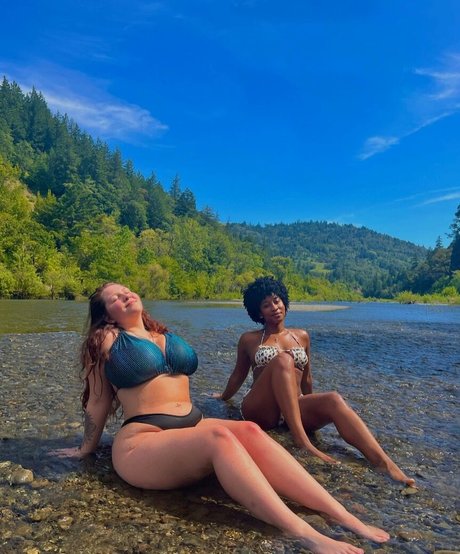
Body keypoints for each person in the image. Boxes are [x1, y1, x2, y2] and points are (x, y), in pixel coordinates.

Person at [54, 282, 390, 554]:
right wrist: (86, 449)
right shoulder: (106, 340)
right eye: (115, 297)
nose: (125, 295)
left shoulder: (162, 333)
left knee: (250, 430)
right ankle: (303, 532)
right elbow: (97, 401)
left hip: (191, 427)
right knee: (220, 438)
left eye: (127, 290)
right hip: (143, 442)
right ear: (107, 315)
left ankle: (341, 514)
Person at [215, 276, 415, 487]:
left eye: (276, 300)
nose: (274, 307)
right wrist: (223, 397)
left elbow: (307, 378)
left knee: (333, 399)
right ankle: (303, 442)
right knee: (284, 360)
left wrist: (313, 408)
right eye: (266, 305)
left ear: (284, 301)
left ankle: (385, 464)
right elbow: (238, 375)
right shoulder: (249, 339)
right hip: (262, 408)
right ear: (258, 312)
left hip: (292, 405)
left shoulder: (302, 336)